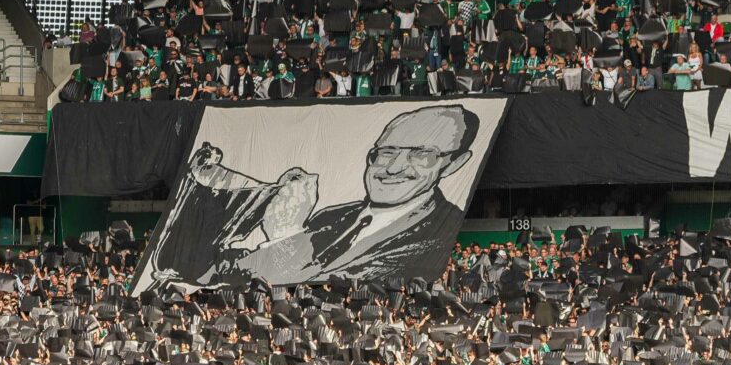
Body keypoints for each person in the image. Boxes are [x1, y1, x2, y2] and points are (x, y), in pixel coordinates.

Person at [149, 104, 483, 291]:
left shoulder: (433, 235)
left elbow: (319, 284)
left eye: (420, 155)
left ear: (453, 163)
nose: (393, 167)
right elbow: (221, 270)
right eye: (386, 152)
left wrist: (284, 234)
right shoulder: (333, 216)